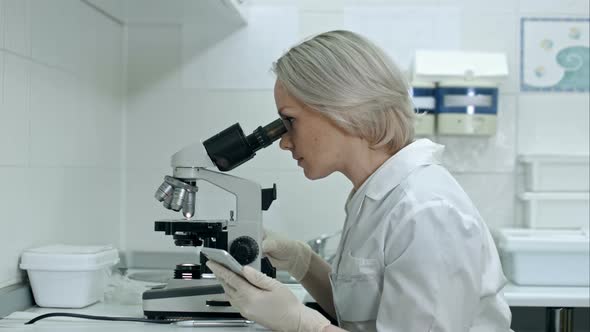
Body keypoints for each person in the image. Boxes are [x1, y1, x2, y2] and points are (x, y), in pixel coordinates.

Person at [206, 30, 513, 332]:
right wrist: (305, 264)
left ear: (344, 109)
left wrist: (301, 323)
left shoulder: (426, 212)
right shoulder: (376, 196)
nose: (283, 142)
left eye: (289, 121)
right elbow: (365, 312)